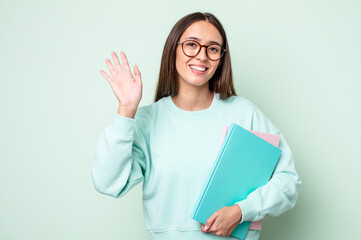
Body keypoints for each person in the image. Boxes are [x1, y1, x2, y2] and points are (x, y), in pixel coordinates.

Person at [92, 12, 301, 240]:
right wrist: (126, 109)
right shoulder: (147, 120)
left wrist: (242, 211)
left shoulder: (244, 113)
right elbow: (107, 183)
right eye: (191, 45)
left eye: (212, 49)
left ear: (221, 58)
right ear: (174, 49)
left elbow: (288, 182)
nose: (201, 56)